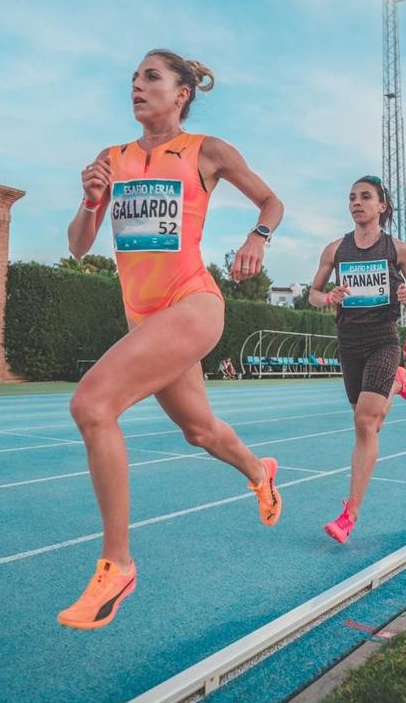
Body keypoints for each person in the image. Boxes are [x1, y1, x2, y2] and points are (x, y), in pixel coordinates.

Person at [58, 49, 284, 630]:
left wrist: (258, 237)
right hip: (145, 319)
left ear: (181, 93)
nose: (137, 86)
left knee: (91, 404)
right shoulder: (112, 158)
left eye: (151, 78)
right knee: (199, 430)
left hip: (194, 303)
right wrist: (89, 202)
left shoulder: (205, 150)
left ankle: (117, 564)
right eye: (134, 79)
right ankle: (261, 475)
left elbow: (271, 200)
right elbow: (80, 245)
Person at [308, 175, 406, 544]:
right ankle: (397, 380)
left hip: (383, 339)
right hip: (349, 342)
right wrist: (329, 298)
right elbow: (312, 293)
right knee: (372, 423)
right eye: (351, 198)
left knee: (365, 422)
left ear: (382, 206)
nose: (356, 203)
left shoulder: (397, 249)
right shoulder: (334, 250)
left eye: (365, 197)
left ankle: (349, 515)